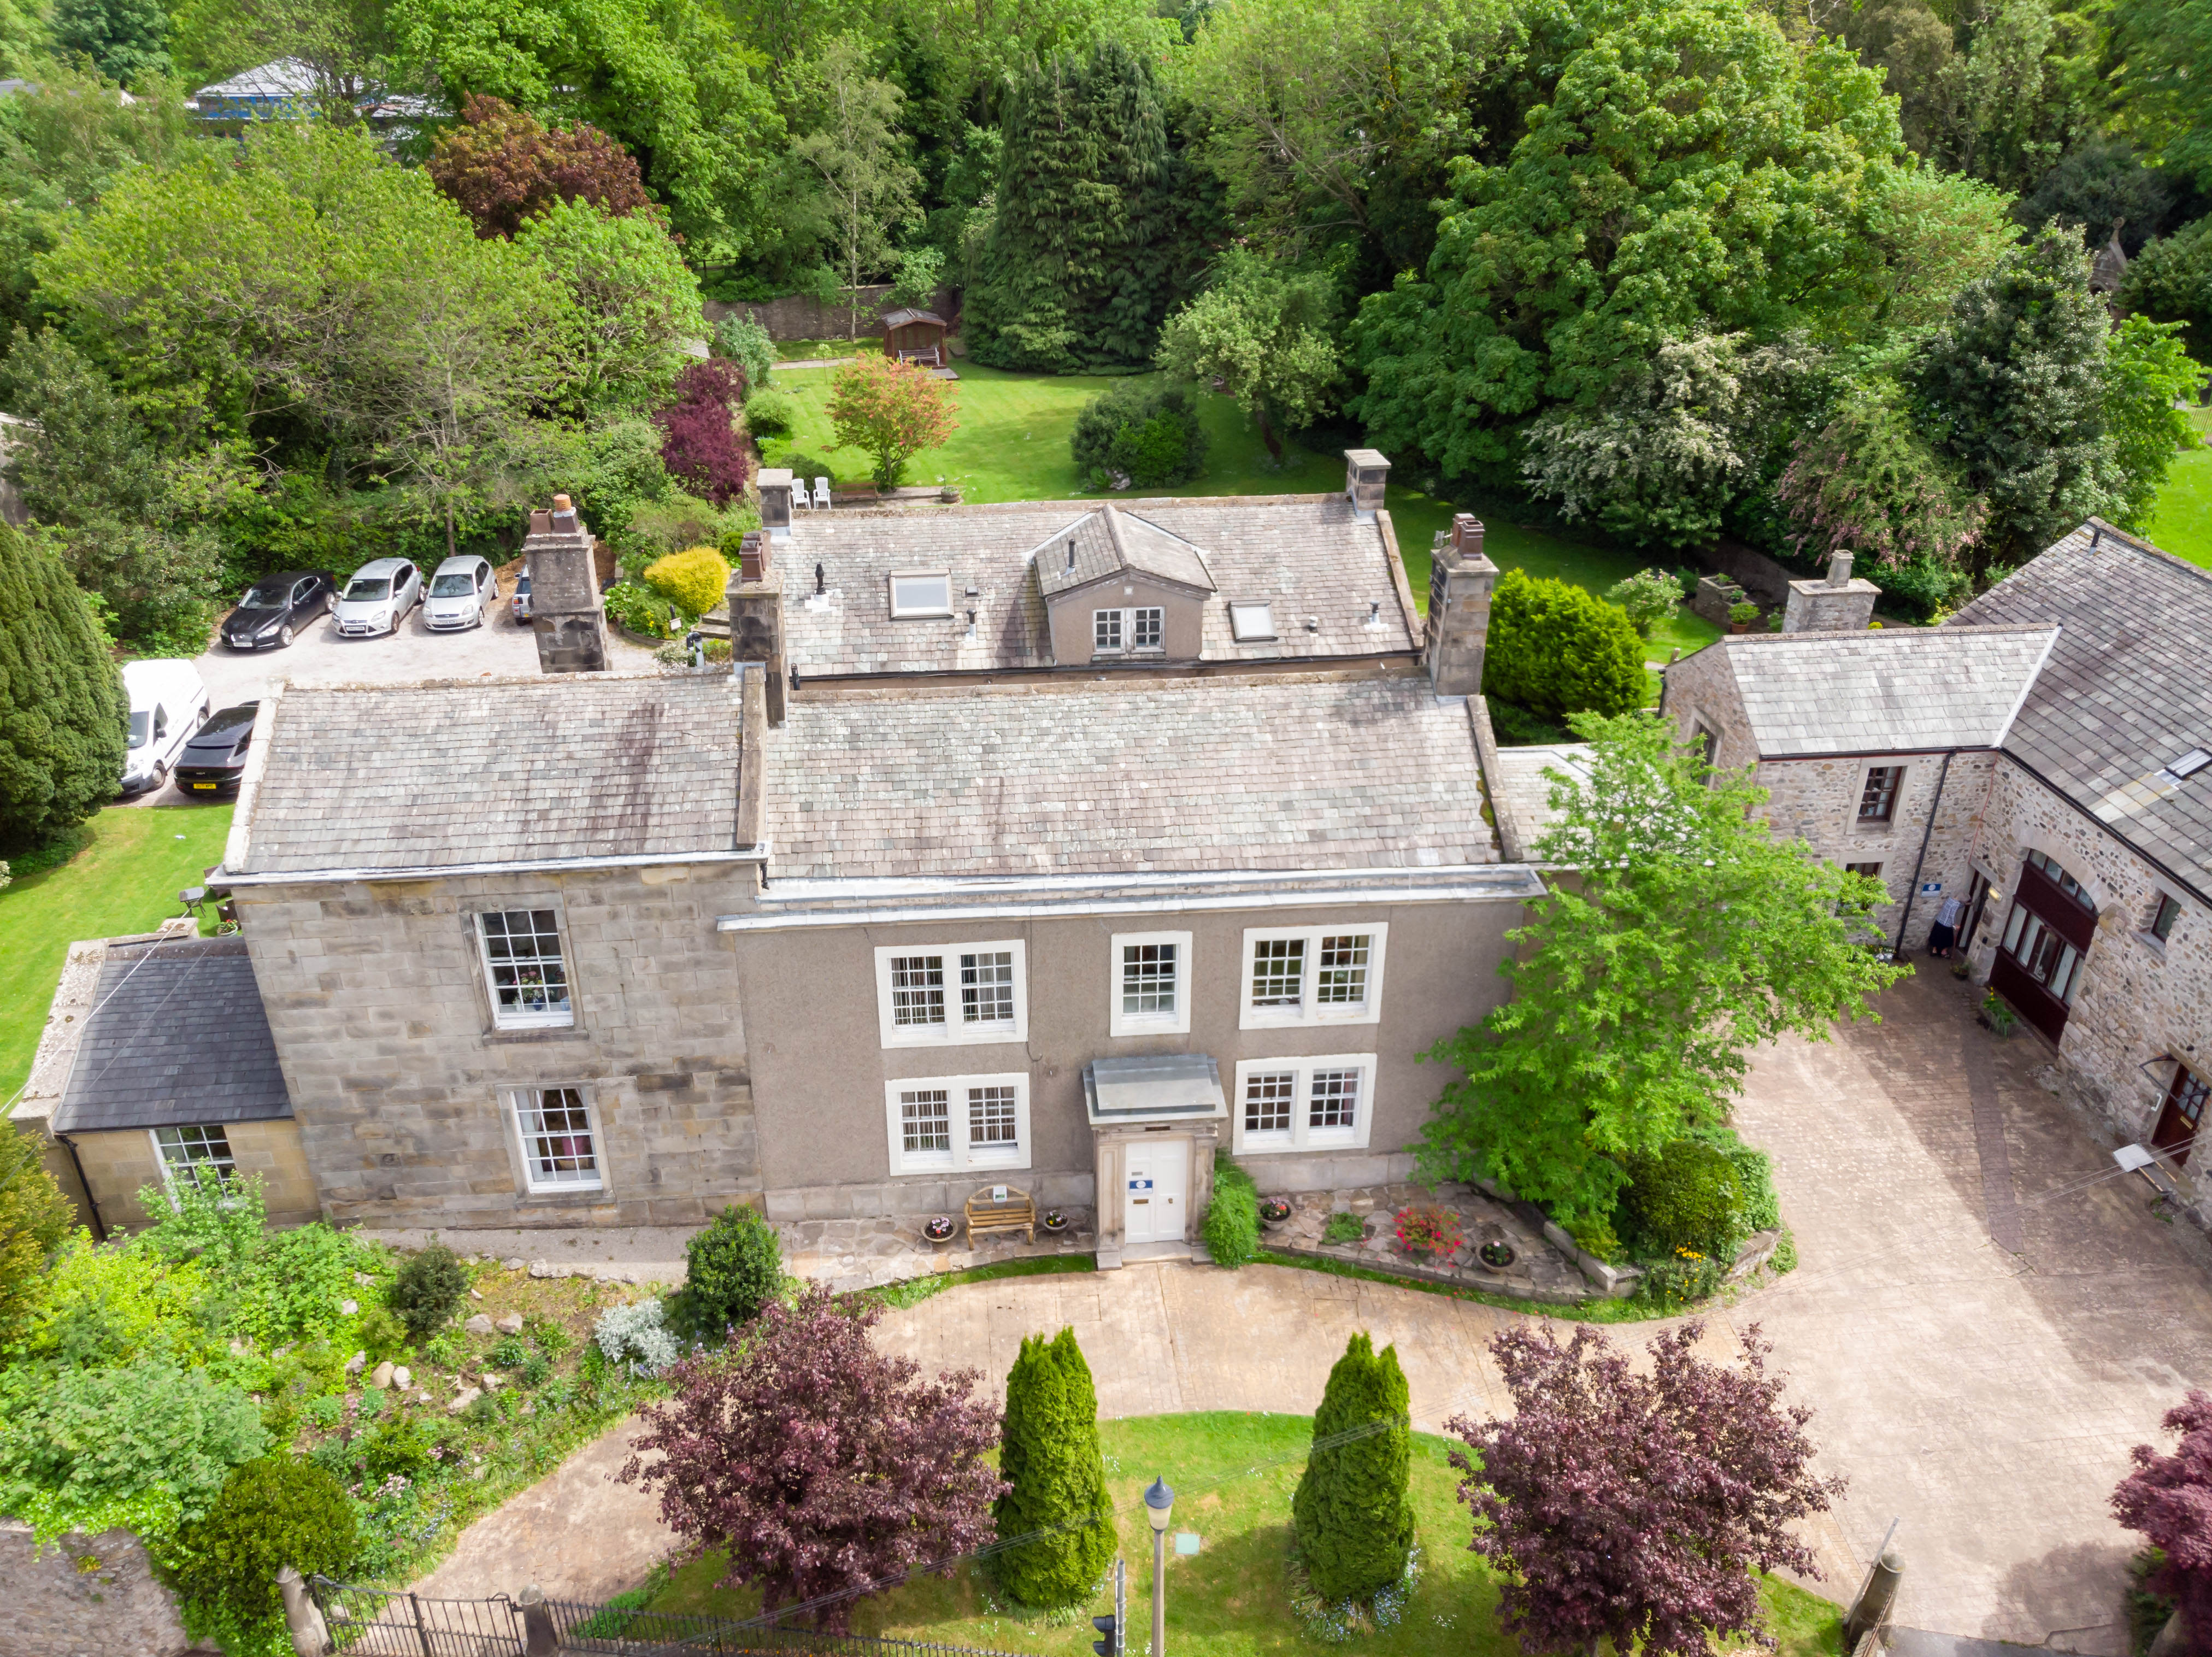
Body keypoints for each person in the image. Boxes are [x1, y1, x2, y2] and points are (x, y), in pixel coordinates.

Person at [1929, 894, 1966, 959]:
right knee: (1948, 940)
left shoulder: (1950, 899)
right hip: (1946, 925)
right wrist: (1955, 925)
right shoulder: (1956, 904)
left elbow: (1952, 907)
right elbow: (1952, 916)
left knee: (1936, 936)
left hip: (1939, 920)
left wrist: (1964, 905)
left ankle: (1934, 950)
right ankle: (1944, 952)